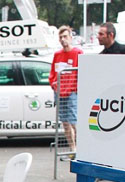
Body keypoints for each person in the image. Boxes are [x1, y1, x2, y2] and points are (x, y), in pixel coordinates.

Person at [49, 25, 82, 153]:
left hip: (72, 91)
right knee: (65, 123)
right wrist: (53, 84)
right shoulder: (57, 54)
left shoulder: (77, 53)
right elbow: (52, 72)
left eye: (65, 36)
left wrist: (77, 88)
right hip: (60, 92)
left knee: (74, 121)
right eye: (61, 37)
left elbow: (82, 71)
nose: (63, 39)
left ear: (71, 37)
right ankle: (72, 148)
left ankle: (82, 148)